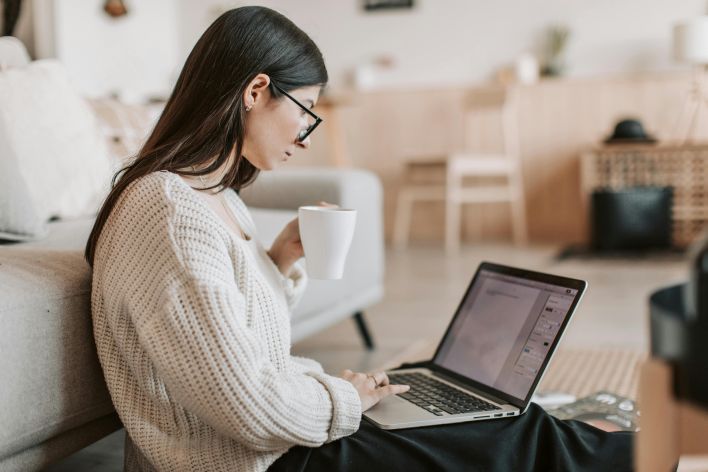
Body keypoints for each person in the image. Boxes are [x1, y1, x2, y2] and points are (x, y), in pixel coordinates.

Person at [85, 6, 632, 471]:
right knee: (521, 436)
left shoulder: (213, 197)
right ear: (256, 91)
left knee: (506, 423)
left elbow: (238, 349)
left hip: (275, 444)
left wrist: (274, 264)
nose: (304, 137)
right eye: (305, 112)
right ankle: (658, 450)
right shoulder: (170, 211)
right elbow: (245, 404)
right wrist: (346, 398)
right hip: (258, 460)